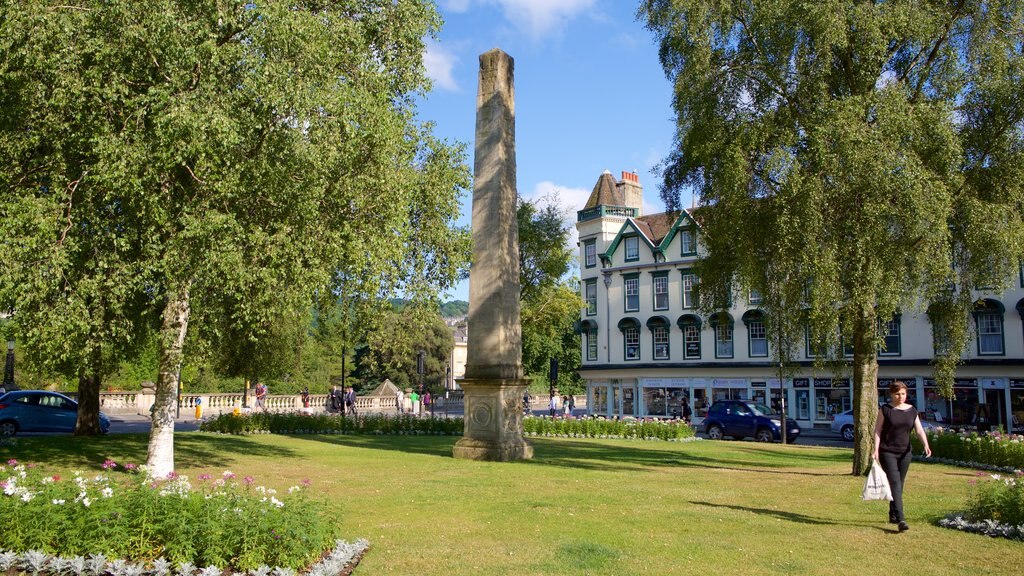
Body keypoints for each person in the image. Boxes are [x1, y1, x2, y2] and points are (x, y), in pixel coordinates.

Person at [873, 380, 932, 533]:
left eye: (903, 394)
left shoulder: (912, 410)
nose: (901, 397)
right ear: (892, 394)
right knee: (895, 483)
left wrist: (925, 444)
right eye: (897, 394)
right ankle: (901, 520)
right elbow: (877, 430)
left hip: (905, 452)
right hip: (888, 452)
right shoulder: (885, 410)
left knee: (900, 483)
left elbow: (919, 429)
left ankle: (893, 514)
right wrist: (876, 450)